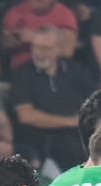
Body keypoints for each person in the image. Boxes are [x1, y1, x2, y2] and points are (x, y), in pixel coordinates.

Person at [9, 26, 95, 171]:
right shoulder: (22, 74)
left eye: (46, 48)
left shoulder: (76, 70)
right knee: (72, 147)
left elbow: (96, 101)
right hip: (44, 137)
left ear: (58, 49)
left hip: (79, 131)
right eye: (36, 48)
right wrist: (70, 122)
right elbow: (26, 116)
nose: (40, 54)